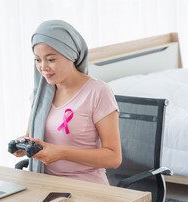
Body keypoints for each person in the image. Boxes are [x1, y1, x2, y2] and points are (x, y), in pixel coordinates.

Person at [12, 20, 121, 185]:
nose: (43, 67)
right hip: (44, 184)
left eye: (50, 59)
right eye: (37, 60)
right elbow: (31, 137)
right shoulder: (40, 95)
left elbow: (114, 158)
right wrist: (22, 145)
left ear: (71, 55)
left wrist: (61, 153)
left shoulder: (98, 92)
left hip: (86, 185)